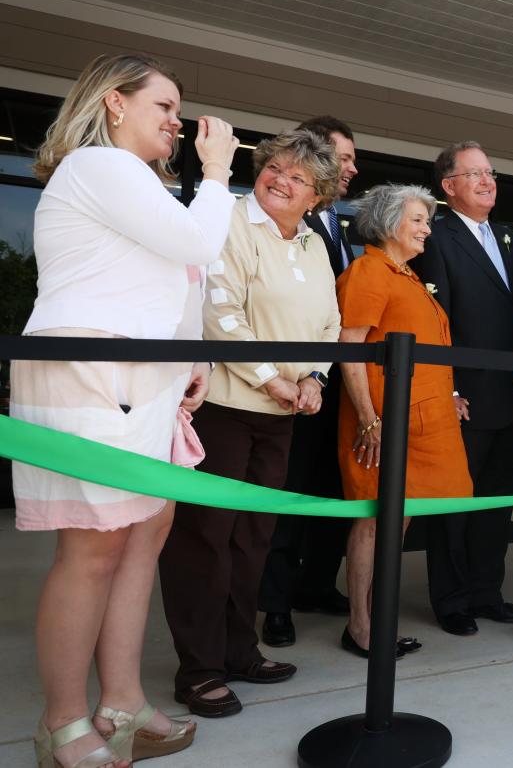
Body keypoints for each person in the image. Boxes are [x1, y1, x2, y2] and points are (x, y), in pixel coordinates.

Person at [14, 53, 236, 768]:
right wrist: (220, 173)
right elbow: (200, 242)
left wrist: (192, 364)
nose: (178, 123)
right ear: (114, 102)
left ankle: (123, 702)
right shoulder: (98, 167)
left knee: (144, 533)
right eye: (165, 107)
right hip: (95, 369)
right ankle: (62, 723)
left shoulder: (137, 185)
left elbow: (175, 283)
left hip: (149, 379)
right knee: (94, 543)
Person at [159, 129, 342, 717]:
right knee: (205, 539)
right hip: (224, 407)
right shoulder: (231, 223)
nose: (281, 180)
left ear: (317, 197)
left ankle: (241, 650)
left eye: (299, 178)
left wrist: (313, 378)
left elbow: (328, 324)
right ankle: (199, 669)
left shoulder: (313, 244)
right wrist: (273, 378)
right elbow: (220, 312)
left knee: (254, 538)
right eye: (276, 168)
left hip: (281, 412)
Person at [336, 183, 473, 657]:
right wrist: (368, 419)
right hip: (384, 423)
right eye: (417, 220)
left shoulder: (408, 276)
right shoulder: (370, 271)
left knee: (398, 524)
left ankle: (378, 619)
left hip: (424, 423)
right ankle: (360, 626)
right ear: (389, 222)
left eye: (427, 221)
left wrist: (448, 394)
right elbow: (349, 349)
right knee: (374, 523)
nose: (426, 230)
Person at [409, 141, 513, 637]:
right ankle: (452, 599)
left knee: (497, 503)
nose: (487, 181)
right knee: (454, 505)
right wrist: (448, 387)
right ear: (449, 186)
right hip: (463, 395)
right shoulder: (435, 239)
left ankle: (486, 591)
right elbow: (435, 324)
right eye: (474, 174)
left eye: (491, 173)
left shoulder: (512, 240)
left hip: (512, 393)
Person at [259, 115, 360, 648]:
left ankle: (315, 585)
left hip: (332, 387)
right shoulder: (283, 224)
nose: (352, 168)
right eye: (343, 158)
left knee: (328, 492)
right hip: (286, 388)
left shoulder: (335, 226)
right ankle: (275, 605)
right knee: (287, 497)